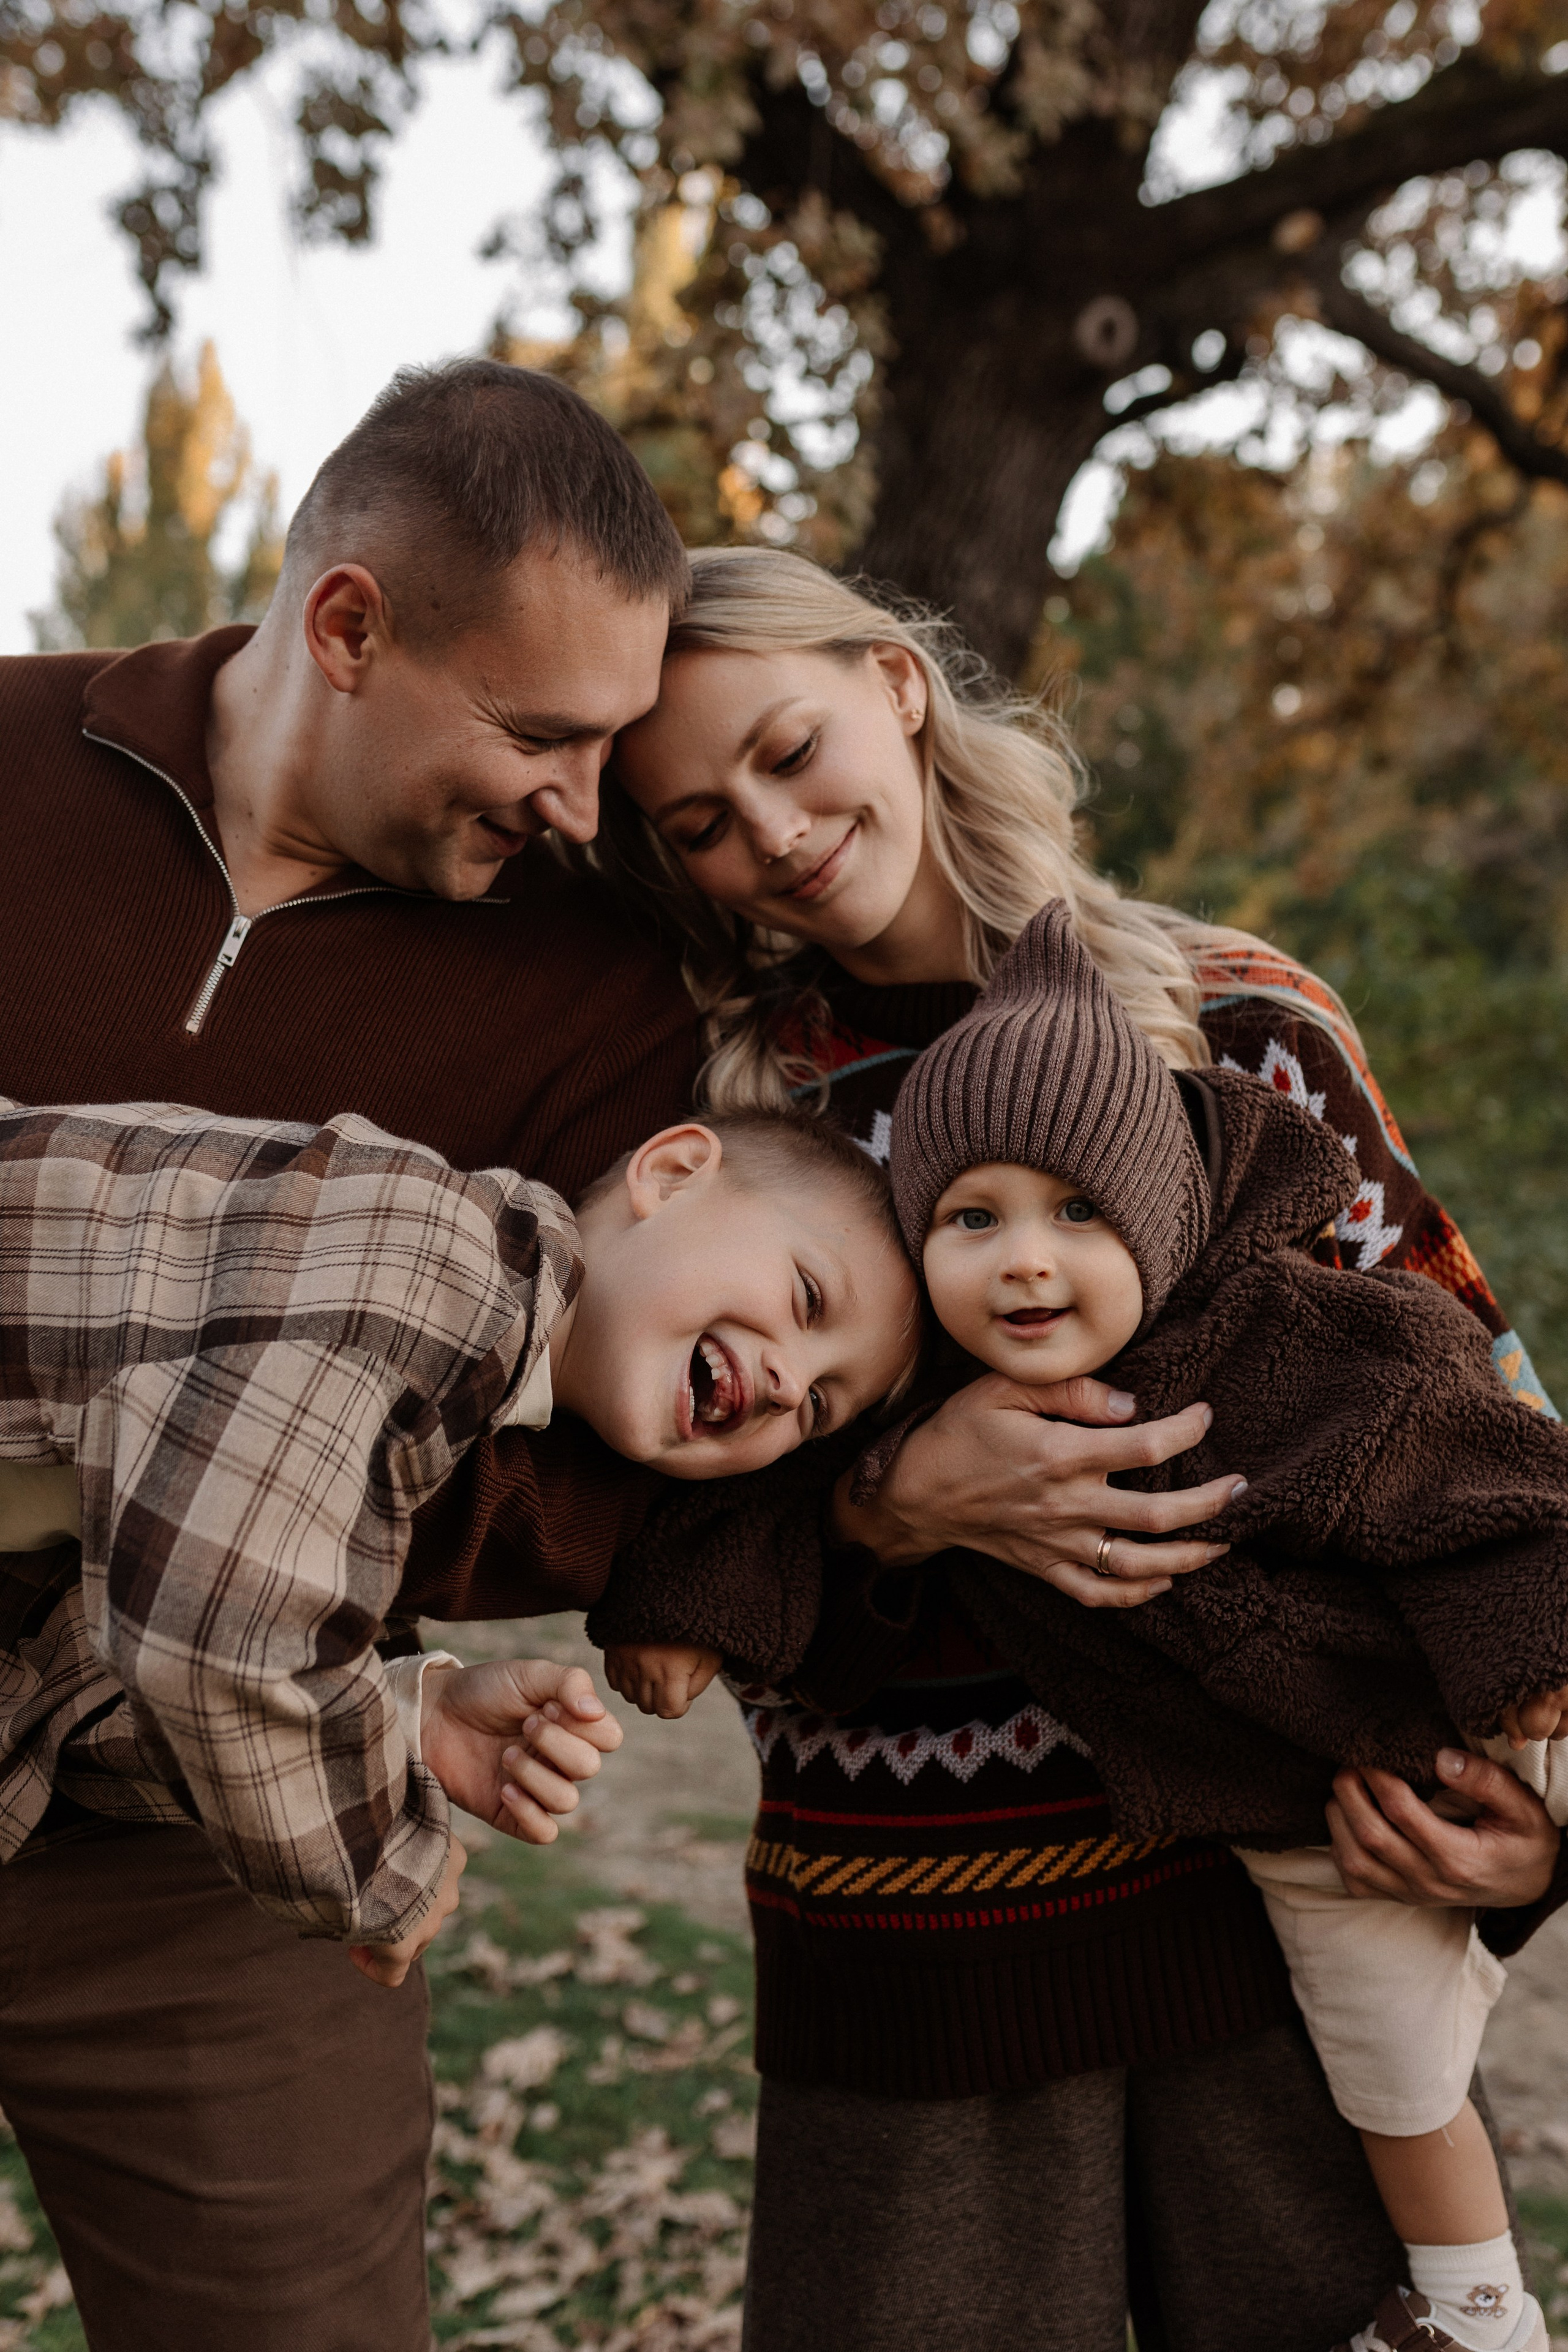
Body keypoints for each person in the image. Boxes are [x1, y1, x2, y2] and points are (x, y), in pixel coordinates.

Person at [581, 546, 1566, 2352]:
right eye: (704, 823)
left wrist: (1532, 1839)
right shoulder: (726, 1114)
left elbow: (1473, 1422)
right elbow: (645, 1523)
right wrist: (889, 1501)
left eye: (794, 751)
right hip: (914, 1938)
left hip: (1280, 1909)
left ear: (897, 684)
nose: (777, 836)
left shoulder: (1240, 1026)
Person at [0, 356, 704, 2351]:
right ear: (349, 624)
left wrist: (370, 1672)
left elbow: (596, 1435)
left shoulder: (588, 989)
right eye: (543, 733)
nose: (584, 805)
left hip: (215, 1849)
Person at [885, 900, 1568, 2352]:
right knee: (1387, 2067)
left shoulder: (1286, 1338)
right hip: (1304, 1809)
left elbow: (1483, 1467)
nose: (1023, 1262)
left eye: (1077, 1212)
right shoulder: (919, 1411)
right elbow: (756, 1498)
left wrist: (1529, 1672)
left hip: (1487, 1675)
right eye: (970, 1218)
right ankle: (1475, 2313)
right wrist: (717, 1596)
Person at [0, 1092, 914, 1948]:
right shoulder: (430, 1252)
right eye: (807, 1299)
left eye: (821, 1411)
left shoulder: (420, 1426)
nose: (794, 1383)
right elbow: (210, 1632)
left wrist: (400, 1716)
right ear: (671, 1174)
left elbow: (96, 1655)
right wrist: (388, 1873)